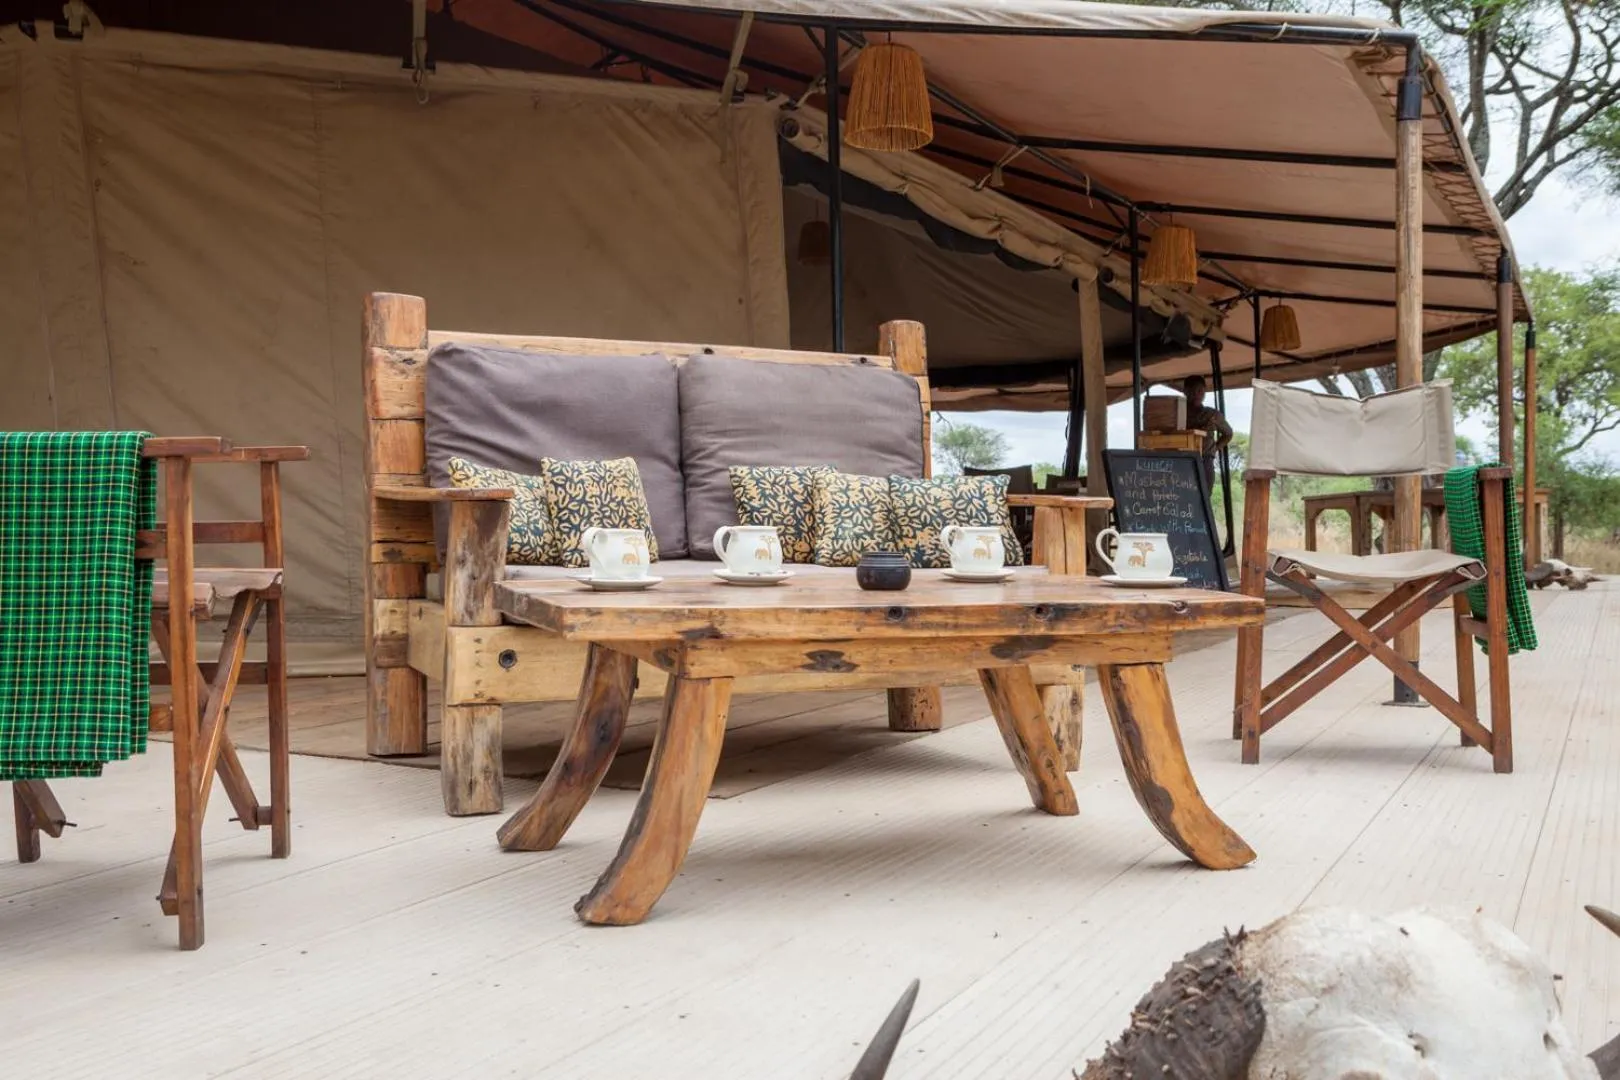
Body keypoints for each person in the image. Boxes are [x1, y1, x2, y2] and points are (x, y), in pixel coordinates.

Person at [1182, 376, 1233, 493]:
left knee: (1203, 499)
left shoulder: (1212, 415)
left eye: (1199, 391)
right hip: (1181, 463)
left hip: (1205, 463)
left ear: (1204, 392)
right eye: (1192, 390)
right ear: (1185, 391)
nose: (1196, 394)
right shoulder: (1176, 414)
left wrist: (1214, 449)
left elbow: (1228, 434)